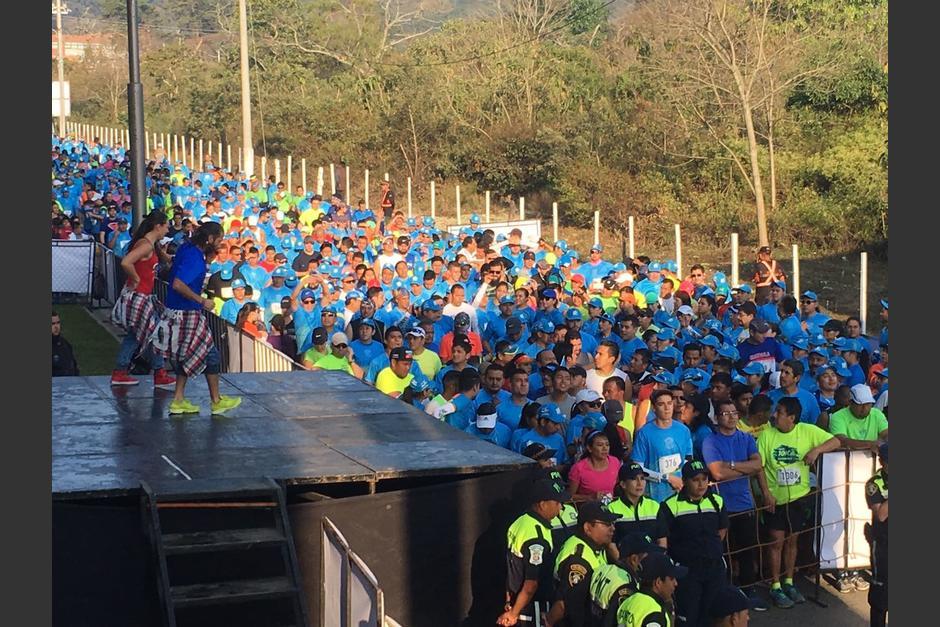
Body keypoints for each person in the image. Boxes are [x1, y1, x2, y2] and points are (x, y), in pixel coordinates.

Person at [757, 396, 841, 608]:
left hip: (799, 497)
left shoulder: (807, 431)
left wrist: (816, 450)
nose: (775, 415)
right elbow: (759, 468)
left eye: (780, 412)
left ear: (792, 418)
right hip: (776, 499)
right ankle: (775, 585)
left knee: (792, 541)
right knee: (776, 542)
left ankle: (789, 581)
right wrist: (766, 493)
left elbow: (836, 441)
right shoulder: (766, 435)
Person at [154, 221, 242, 415]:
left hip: (178, 310)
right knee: (212, 355)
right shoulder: (195, 257)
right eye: (219, 239)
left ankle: (178, 399)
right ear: (209, 239)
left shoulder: (188, 248)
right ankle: (216, 401)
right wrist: (202, 301)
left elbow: (176, 268)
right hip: (187, 312)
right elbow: (178, 284)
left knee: (184, 355)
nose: (220, 244)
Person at [701, 400, 766, 611]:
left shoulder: (746, 438)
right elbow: (717, 473)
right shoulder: (710, 441)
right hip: (722, 505)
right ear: (717, 417)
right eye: (725, 413)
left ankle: (749, 590)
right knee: (724, 552)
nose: (731, 417)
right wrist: (744, 468)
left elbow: (758, 465)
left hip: (745, 503)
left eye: (734, 413)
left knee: (747, 551)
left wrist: (731, 465)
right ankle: (725, 593)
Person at [658, 460, 729, 627]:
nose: (701, 484)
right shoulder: (670, 505)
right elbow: (664, 538)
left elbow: (722, 530)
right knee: (689, 615)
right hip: (687, 571)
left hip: (714, 567)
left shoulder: (717, 501)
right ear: (685, 481)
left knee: (713, 614)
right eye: (696, 480)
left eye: (704, 479)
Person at [109, 211, 176, 388]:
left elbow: (162, 259)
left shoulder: (151, 244)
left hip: (142, 296)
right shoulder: (146, 245)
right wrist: (136, 279)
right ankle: (158, 372)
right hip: (139, 295)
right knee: (154, 333)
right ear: (158, 226)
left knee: (137, 335)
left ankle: (123, 371)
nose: (167, 230)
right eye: (166, 226)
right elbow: (126, 262)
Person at [498, 479, 570, 627]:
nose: (561, 507)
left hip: (516, 601)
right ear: (542, 504)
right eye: (557, 503)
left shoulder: (520, 521)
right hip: (531, 609)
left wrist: (509, 601)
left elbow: (512, 568)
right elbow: (531, 584)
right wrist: (514, 614)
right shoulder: (537, 538)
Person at [546, 501, 618, 627]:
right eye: (607, 524)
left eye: (613, 523)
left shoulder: (598, 546)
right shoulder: (578, 558)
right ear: (588, 528)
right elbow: (563, 605)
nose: (612, 528)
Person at [631, 390, 693, 502]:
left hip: (680, 493)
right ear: (654, 408)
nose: (667, 408)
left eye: (669, 403)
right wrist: (666, 478)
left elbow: (688, 459)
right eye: (661, 404)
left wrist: (682, 479)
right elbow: (638, 468)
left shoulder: (684, 430)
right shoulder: (644, 433)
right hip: (655, 496)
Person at [588, 533, 658, 627]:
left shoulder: (603, 569)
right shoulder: (626, 585)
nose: (652, 561)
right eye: (648, 558)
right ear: (634, 559)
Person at [614, 551, 687, 627]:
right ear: (658, 582)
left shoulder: (629, 601)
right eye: (672, 578)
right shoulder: (655, 612)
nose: (675, 583)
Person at [607, 462, 666, 546]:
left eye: (642, 478)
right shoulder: (611, 508)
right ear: (623, 484)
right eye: (634, 479)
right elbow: (610, 544)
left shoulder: (654, 506)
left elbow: (662, 540)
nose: (639, 483)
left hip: (652, 554)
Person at [864, 442, 888, 627]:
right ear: (882, 462)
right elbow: (881, 515)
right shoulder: (874, 483)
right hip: (883, 544)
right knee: (881, 595)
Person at [568, 431, 622, 503]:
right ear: (589, 448)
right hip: (587, 508)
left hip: (611, 507)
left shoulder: (615, 462)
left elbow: (618, 485)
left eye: (607, 445)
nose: (605, 448)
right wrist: (589, 497)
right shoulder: (578, 468)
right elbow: (569, 497)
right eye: (600, 445)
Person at [51, 311, 79, 377]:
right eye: (53, 324)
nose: (56, 326)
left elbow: (74, 365)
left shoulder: (65, 343)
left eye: (58, 323)